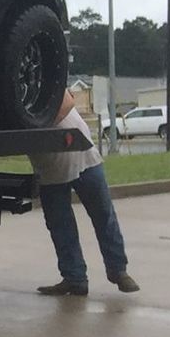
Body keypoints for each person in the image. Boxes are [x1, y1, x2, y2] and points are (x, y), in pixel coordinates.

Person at [31, 91, 138, 296]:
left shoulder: (43, 80)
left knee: (104, 216)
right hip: (50, 169)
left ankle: (118, 271)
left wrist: (37, 123)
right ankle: (75, 279)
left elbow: (67, 101)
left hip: (85, 158)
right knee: (61, 227)